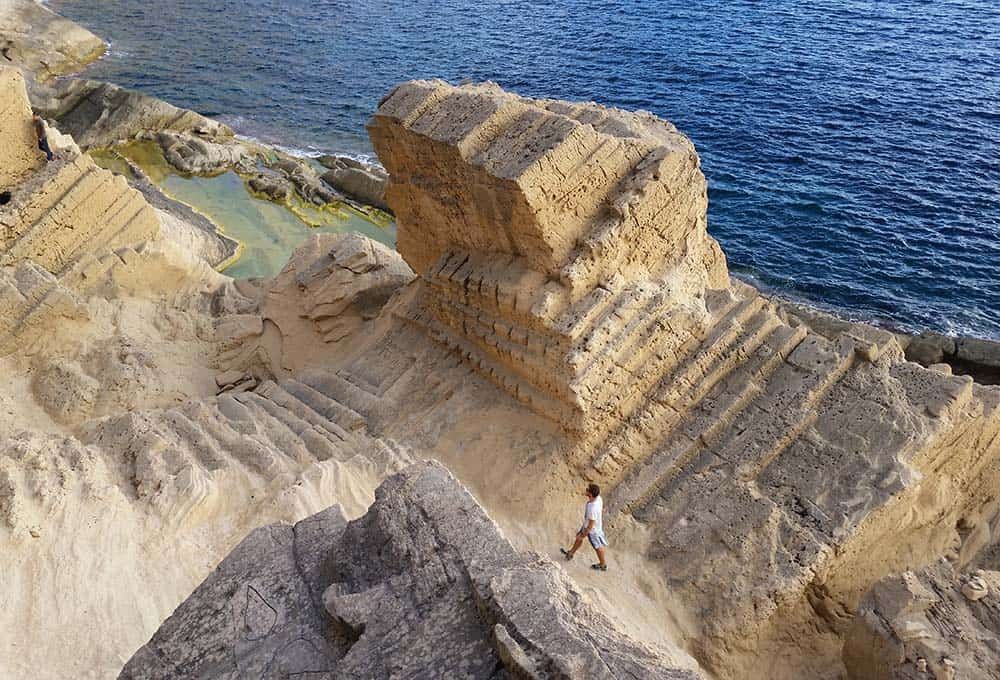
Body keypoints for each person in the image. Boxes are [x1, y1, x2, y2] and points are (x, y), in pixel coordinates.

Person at [560, 482, 608, 571]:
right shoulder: (598, 498)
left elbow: (591, 525)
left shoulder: (593, 508)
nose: (586, 490)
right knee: (579, 539)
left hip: (593, 531)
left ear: (591, 494)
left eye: (587, 490)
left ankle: (603, 564)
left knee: (597, 547)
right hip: (588, 526)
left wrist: (584, 534)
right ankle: (570, 553)